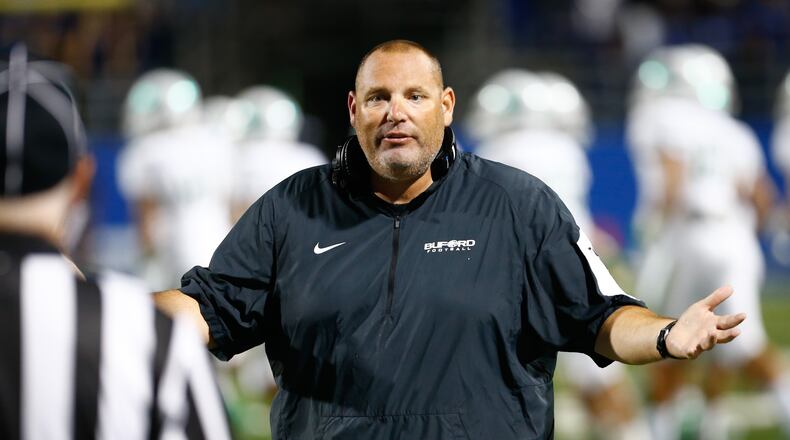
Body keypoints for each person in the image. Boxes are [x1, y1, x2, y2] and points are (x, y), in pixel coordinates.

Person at [156, 39, 745, 440]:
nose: (396, 113)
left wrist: (667, 335)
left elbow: (600, 316)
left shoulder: (517, 204)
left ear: (446, 106)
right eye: (380, 98)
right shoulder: (292, 207)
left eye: (414, 97)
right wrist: (102, 313)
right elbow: (212, 306)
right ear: (354, 109)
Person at [0, 44, 231, 440]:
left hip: (171, 247)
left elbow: (147, 220)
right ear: (81, 179)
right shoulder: (146, 330)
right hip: (218, 245)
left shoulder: (147, 152)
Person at [467, 68, 651, 440]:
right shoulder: (567, 149)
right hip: (575, 265)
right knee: (597, 371)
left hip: (525, 272)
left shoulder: (498, 151)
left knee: (497, 378)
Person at [627, 43, 790, 440]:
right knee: (728, 338)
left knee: (670, 337)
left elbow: (671, 183)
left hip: (687, 234)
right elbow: (760, 196)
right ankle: (710, 423)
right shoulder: (733, 130)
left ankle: (664, 430)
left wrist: (649, 234)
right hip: (732, 235)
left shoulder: (661, 118)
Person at [117, 68, 236, 290]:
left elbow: (146, 215)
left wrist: (147, 255)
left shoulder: (145, 150)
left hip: (172, 253)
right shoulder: (216, 140)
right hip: (222, 246)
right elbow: (232, 205)